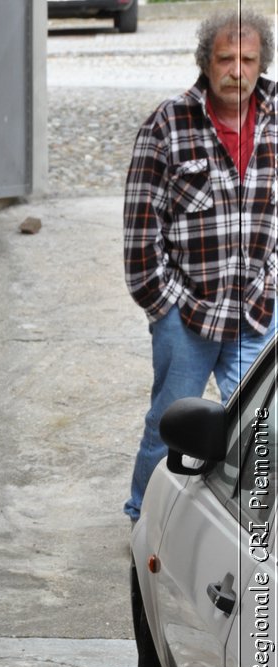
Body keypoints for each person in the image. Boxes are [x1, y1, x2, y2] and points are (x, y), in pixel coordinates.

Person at [123, 8, 276, 523]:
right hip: (185, 316)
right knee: (168, 425)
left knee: (262, 426)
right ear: (206, 64)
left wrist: (271, 285)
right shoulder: (167, 124)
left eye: (248, 59)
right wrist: (164, 307)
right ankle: (144, 515)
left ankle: (250, 520)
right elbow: (141, 229)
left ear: (262, 63)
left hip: (256, 310)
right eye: (225, 58)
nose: (237, 70)